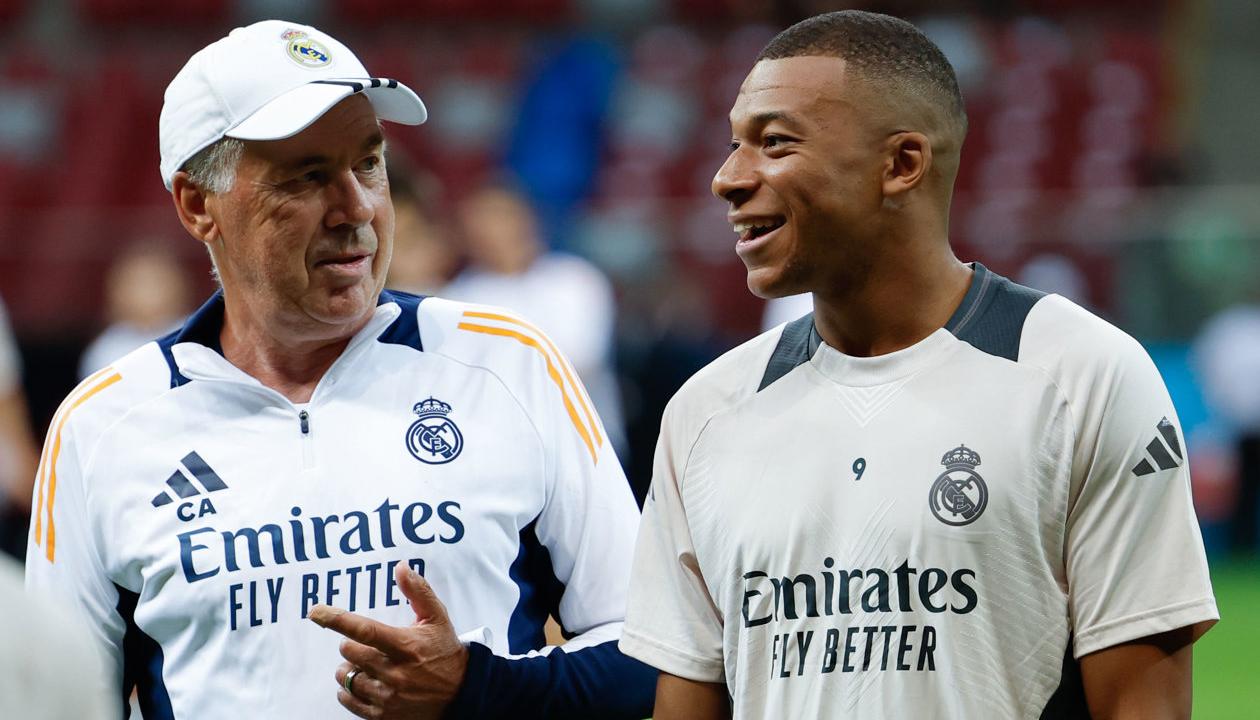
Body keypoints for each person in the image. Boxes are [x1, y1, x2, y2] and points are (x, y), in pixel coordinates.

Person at [25, 20, 654, 720]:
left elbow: (657, 653)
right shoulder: (104, 425)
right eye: (307, 177)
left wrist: (478, 688)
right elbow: (54, 704)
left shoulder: (506, 362)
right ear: (198, 205)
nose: (357, 208)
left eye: (369, 163)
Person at [620, 11, 1217, 719]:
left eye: (774, 143)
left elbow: (1142, 706)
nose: (727, 178)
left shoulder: (1082, 376)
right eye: (733, 146)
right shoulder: (705, 412)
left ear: (901, 164)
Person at [79, 241, 193, 379]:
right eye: (138, 283)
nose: (147, 293)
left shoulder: (194, 335)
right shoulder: (106, 350)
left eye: (155, 282)